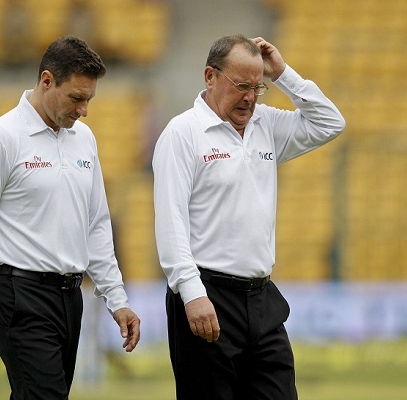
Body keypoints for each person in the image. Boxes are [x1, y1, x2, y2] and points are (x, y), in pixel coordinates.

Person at [152, 34, 345, 400]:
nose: (250, 98)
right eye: (241, 86)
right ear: (210, 76)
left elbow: (330, 123)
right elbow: (170, 220)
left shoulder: (265, 126)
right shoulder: (182, 134)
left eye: (258, 88)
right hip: (207, 295)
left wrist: (283, 74)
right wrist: (192, 294)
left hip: (262, 299)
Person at [0, 35, 141, 399]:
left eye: (89, 99)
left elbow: (96, 224)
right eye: (77, 98)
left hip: (71, 299)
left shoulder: (84, 139)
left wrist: (117, 300)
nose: (84, 110)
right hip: (19, 295)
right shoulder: (0, 138)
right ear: (47, 80)